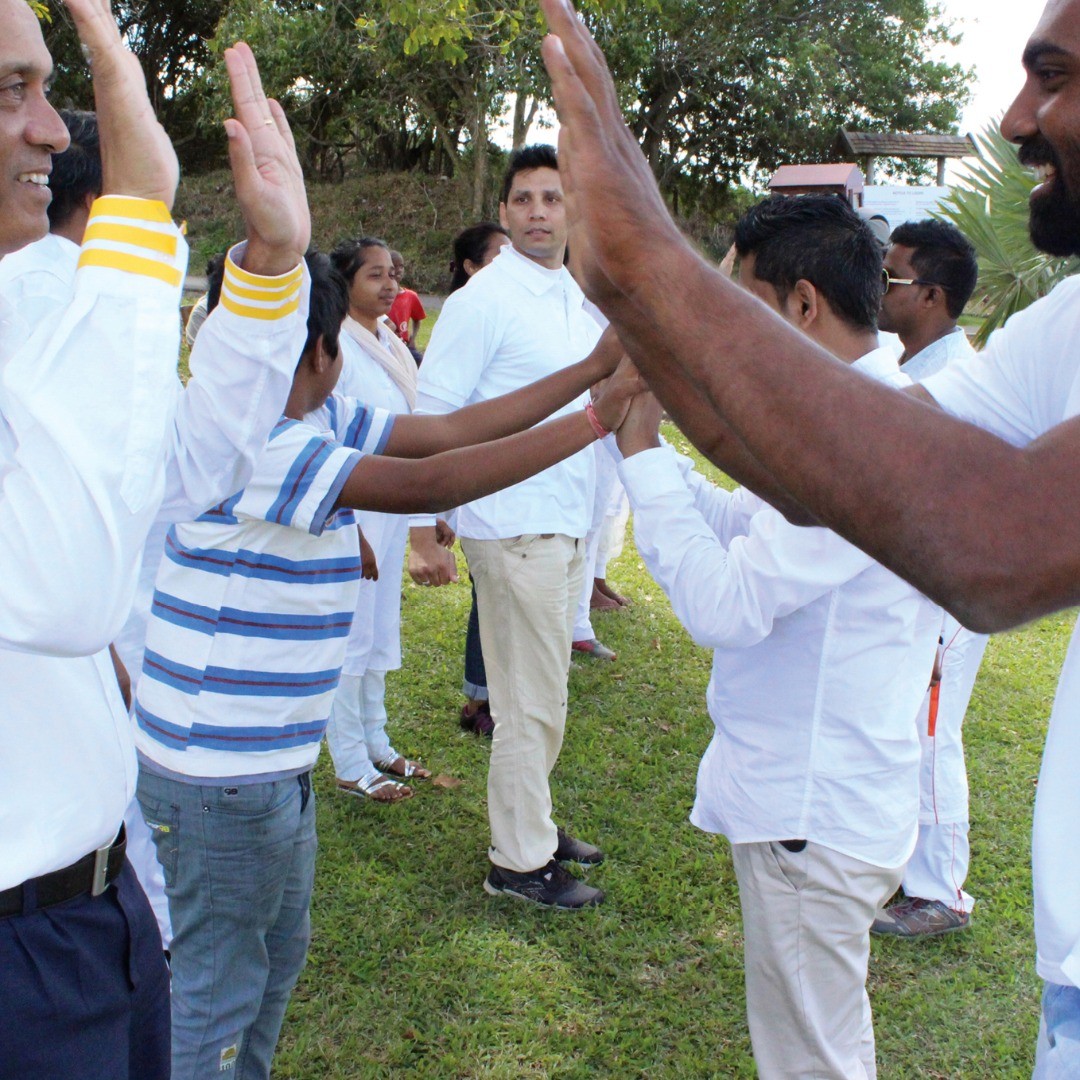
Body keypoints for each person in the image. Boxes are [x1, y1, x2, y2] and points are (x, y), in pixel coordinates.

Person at [538, 0, 1080, 1067]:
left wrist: (653, 270)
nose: (1018, 117)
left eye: (1054, 77)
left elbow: (988, 543)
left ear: (796, 305)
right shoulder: (1056, 328)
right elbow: (815, 477)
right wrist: (652, 323)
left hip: (818, 809)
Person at [134, 250, 631, 1078]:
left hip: (264, 763)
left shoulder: (306, 415)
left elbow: (448, 431)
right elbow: (429, 478)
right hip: (222, 776)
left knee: (270, 966)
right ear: (321, 351)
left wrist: (588, 373)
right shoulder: (251, 440)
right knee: (219, 993)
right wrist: (593, 420)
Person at [0, 0, 310, 1074]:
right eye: (10, 90)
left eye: (48, 86)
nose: (54, 130)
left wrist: (269, 265)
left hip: (92, 908)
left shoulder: (22, 289)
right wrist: (132, 225)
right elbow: (65, 587)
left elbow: (179, 471)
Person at [615, 195, 939, 1078]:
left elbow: (726, 605)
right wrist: (644, 450)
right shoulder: (849, 413)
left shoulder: (861, 440)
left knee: (811, 1060)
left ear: (802, 304)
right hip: (819, 799)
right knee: (820, 1043)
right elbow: (746, 526)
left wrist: (641, 452)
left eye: (740, 306)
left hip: (814, 808)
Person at [414, 145, 607, 908]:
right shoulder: (484, 300)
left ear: (571, 209)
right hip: (513, 522)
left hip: (563, 520)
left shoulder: (569, 294)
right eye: (523, 199)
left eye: (552, 198)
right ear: (503, 212)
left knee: (544, 695)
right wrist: (425, 525)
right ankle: (519, 864)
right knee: (527, 702)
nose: (537, 212)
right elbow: (433, 412)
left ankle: (534, 825)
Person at [872, 219, 990, 938]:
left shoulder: (959, 382)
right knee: (900, 724)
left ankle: (942, 893)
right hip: (907, 582)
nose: (878, 288)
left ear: (931, 296)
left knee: (932, 732)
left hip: (947, 591)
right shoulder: (903, 362)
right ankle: (898, 866)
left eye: (890, 278)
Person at [326, 236, 430, 801]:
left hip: (390, 502)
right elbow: (327, 439)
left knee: (379, 628)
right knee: (351, 633)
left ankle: (376, 742)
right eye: (375, 275)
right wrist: (349, 523)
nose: (391, 284)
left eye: (394, 273)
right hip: (353, 506)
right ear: (344, 283)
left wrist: (428, 508)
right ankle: (348, 760)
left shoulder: (389, 340)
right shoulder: (335, 344)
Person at [434, 221, 510, 736]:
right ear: (470, 266)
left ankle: (493, 695)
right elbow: (442, 413)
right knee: (491, 595)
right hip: (482, 476)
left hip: (514, 476)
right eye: (498, 256)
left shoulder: (512, 308)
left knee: (501, 598)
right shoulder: (468, 312)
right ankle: (479, 698)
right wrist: (438, 510)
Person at [387, 248, 426, 361]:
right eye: (394, 266)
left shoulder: (410, 296)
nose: (399, 270)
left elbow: (417, 319)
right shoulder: (380, 296)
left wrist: (412, 338)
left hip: (404, 346)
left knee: (420, 362)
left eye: (401, 266)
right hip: (386, 346)